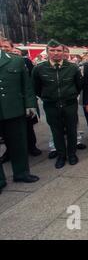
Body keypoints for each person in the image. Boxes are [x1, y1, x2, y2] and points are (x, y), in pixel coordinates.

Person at [32, 40, 84, 168]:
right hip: (51, 105)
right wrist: (48, 97)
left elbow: (79, 86)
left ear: (63, 52)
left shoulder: (72, 67)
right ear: (48, 51)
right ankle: (61, 156)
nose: (56, 53)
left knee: (72, 130)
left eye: (59, 50)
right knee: (56, 131)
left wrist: (69, 96)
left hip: (70, 104)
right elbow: (36, 88)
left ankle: (72, 154)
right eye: (52, 50)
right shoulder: (39, 68)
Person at [0, 47, 40, 194]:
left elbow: (26, 85)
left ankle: (21, 173)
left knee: (18, 142)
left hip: (14, 109)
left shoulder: (16, 61)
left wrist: (30, 104)